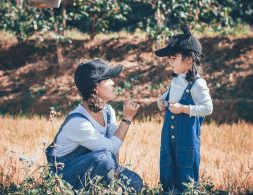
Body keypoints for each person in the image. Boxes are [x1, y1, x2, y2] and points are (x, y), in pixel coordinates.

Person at [45, 59, 143, 193]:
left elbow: (114, 150)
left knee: (135, 182)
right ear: (96, 87)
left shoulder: (108, 111)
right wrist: (127, 118)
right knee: (105, 159)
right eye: (108, 79)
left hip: (97, 167)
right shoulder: (78, 122)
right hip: (64, 175)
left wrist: (114, 176)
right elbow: (110, 148)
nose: (113, 82)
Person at [155, 25, 213, 194]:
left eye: (174, 58)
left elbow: (208, 108)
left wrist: (182, 109)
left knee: (186, 173)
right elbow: (171, 94)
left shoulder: (198, 84)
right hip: (168, 137)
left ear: (189, 60)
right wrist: (162, 100)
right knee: (168, 165)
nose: (170, 62)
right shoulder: (176, 80)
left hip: (187, 140)